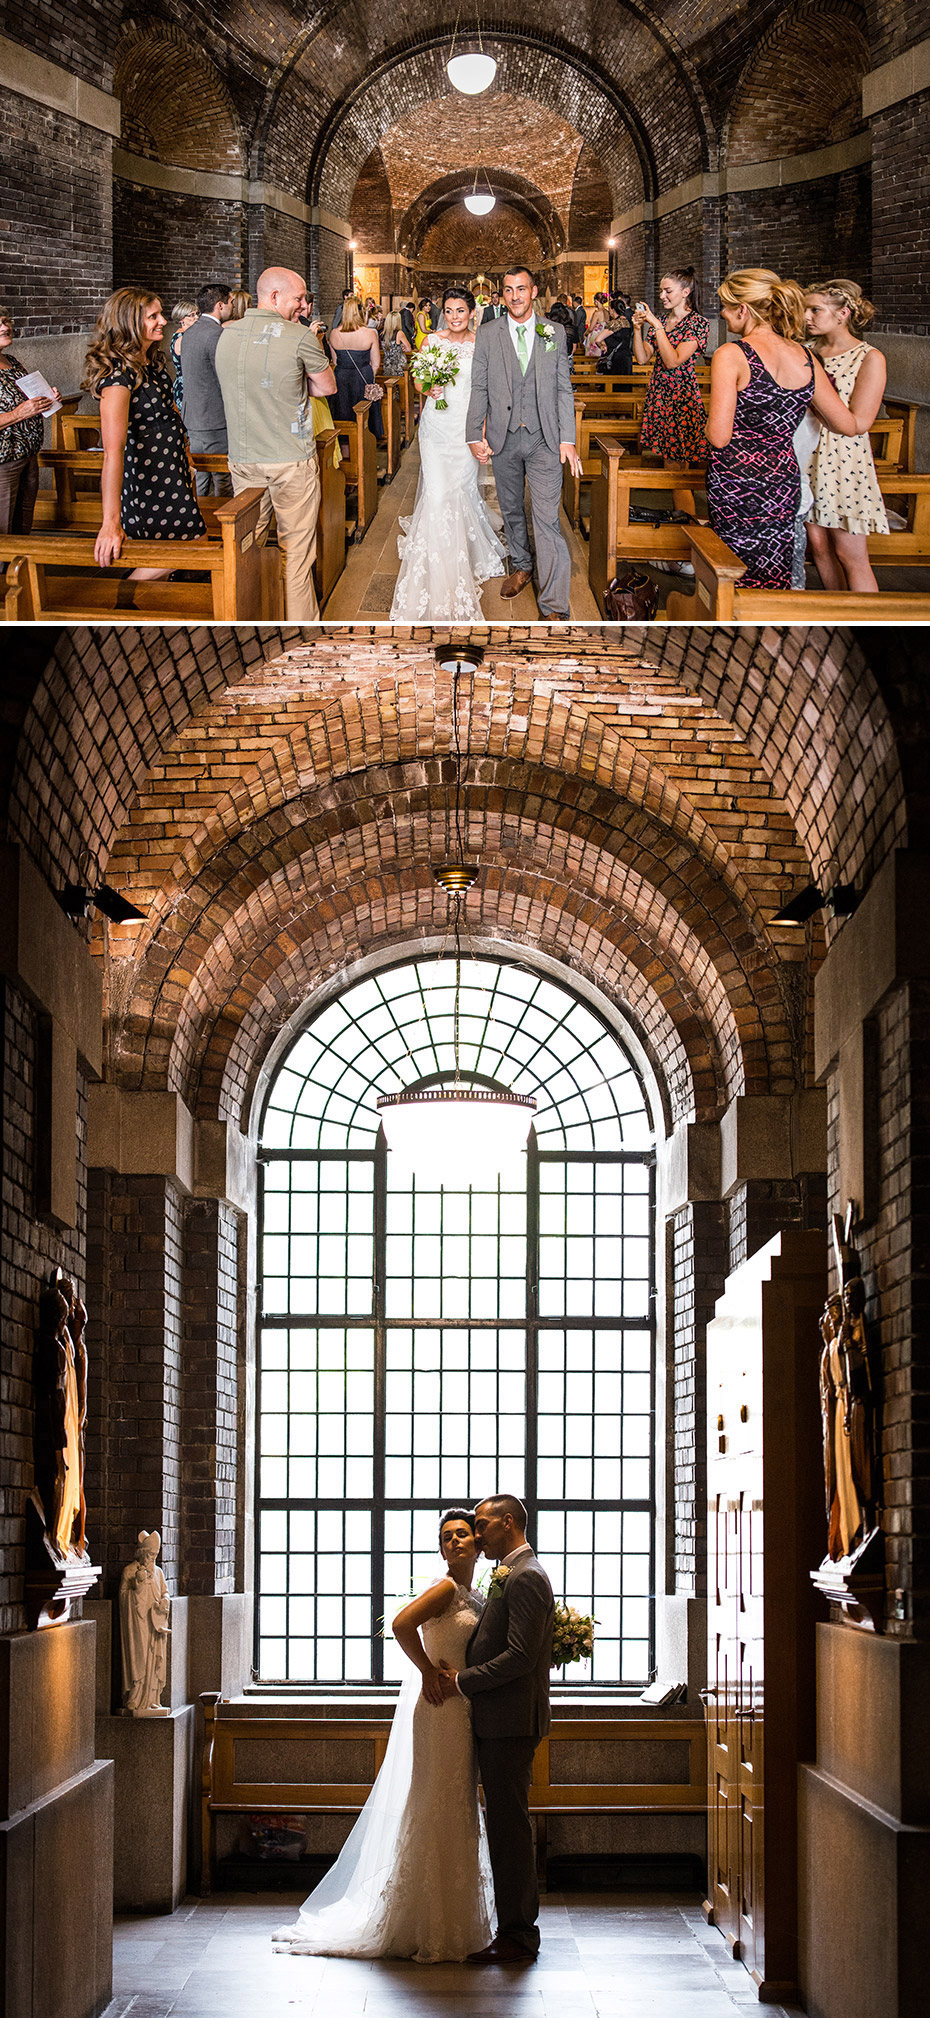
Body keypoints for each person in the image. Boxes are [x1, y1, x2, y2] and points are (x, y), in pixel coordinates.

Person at [273, 1509, 493, 1963]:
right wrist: (428, 1669)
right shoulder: (447, 1588)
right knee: (436, 1800)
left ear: (477, 1542)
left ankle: (453, 1917)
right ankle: (423, 1920)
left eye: (462, 1535)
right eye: (446, 1537)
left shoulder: (475, 1594)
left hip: (463, 1707)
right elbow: (399, 1625)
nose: (454, 1542)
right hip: (439, 1708)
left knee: (457, 1803)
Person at [437, 1494, 555, 1964]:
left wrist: (461, 1681)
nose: (476, 1533)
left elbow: (521, 1657)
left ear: (508, 1523)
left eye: (482, 1526)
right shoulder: (510, 1573)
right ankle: (514, 1929)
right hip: (500, 1719)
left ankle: (519, 1936)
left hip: (509, 1723)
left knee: (509, 1830)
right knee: (505, 1827)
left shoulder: (526, 1576)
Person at [705, 267, 871, 590]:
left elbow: (719, 435)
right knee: (773, 571)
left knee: (732, 572)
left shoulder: (731, 355)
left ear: (743, 309)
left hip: (736, 482)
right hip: (783, 483)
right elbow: (846, 424)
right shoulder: (805, 357)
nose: (722, 314)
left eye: (725, 306)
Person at [214, 264, 336, 619]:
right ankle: (302, 629)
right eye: (299, 298)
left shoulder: (226, 334)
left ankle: (256, 618)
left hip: (243, 459)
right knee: (296, 555)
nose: (304, 307)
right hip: (289, 460)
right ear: (274, 296)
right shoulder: (299, 336)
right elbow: (327, 387)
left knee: (248, 549)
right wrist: (299, 384)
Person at [465, 265, 582, 620]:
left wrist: (567, 438)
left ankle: (554, 607)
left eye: (521, 288)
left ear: (534, 292)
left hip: (545, 438)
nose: (515, 296)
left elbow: (563, 387)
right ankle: (522, 565)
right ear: (502, 295)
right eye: (508, 290)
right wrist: (474, 432)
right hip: (503, 435)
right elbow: (480, 386)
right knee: (513, 509)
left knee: (547, 519)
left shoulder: (554, 332)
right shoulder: (487, 334)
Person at [390, 285, 506, 621]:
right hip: (436, 428)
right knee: (439, 493)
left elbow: (487, 390)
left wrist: (482, 431)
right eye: (450, 311)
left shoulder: (482, 343)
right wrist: (430, 387)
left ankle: (463, 546)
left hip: (466, 429)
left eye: (461, 311)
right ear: (444, 312)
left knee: (461, 489)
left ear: (472, 312)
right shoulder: (431, 341)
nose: (455, 317)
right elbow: (416, 383)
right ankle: (440, 558)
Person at [83, 288, 204, 581]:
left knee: (165, 552)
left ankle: (140, 609)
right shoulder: (118, 377)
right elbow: (113, 451)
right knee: (194, 544)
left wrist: (184, 460)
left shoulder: (151, 364)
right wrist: (110, 522)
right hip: (147, 482)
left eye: (160, 313)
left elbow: (167, 420)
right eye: (153, 316)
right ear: (128, 323)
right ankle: (118, 598)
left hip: (170, 474)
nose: (162, 320)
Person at [803, 279, 888, 593]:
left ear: (843, 314)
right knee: (819, 548)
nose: (807, 317)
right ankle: (837, 608)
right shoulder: (806, 352)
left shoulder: (869, 357)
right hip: (808, 453)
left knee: (849, 552)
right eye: (805, 310)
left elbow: (861, 421)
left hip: (843, 460)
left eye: (815, 310)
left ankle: (868, 621)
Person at [633, 269, 707, 514]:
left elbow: (673, 360)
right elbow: (643, 358)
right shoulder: (661, 322)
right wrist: (637, 329)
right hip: (660, 394)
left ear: (685, 292)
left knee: (678, 469)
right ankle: (681, 521)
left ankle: (688, 524)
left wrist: (656, 325)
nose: (662, 296)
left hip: (681, 397)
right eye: (661, 291)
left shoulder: (697, 323)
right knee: (670, 464)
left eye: (668, 291)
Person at [0, 305, 59, 534]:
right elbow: (20, 409)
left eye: (6, 321)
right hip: (4, 460)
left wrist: (47, 399)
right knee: (3, 530)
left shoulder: (12, 362)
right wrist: (18, 414)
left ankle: (22, 569)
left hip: (27, 455)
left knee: (23, 527)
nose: (6, 327)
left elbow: (27, 399)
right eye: (0, 323)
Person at [179, 283, 232, 495]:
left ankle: (201, 520)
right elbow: (223, 376)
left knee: (201, 477)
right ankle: (222, 527)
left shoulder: (190, 332)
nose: (232, 307)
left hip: (192, 416)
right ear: (220, 305)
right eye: (230, 303)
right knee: (223, 479)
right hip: (214, 419)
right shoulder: (216, 334)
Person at [329, 296, 384, 441]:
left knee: (344, 416)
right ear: (359, 312)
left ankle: (347, 451)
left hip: (341, 379)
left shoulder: (334, 334)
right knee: (365, 417)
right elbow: (376, 363)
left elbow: (335, 361)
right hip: (363, 378)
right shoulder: (370, 333)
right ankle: (366, 450)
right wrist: (367, 376)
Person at [168, 300, 198, 408]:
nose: (196, 318)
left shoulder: (184, 334)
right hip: (186, 386)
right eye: (192, 315)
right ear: (182, 319)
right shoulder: (183, 338)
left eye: (196, 314)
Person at [380, 310, 412, 377]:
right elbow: (409, 349)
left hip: (387, 364)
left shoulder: (382, 334)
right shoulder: (399, 333)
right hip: (398, 365)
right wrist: (403, 348)